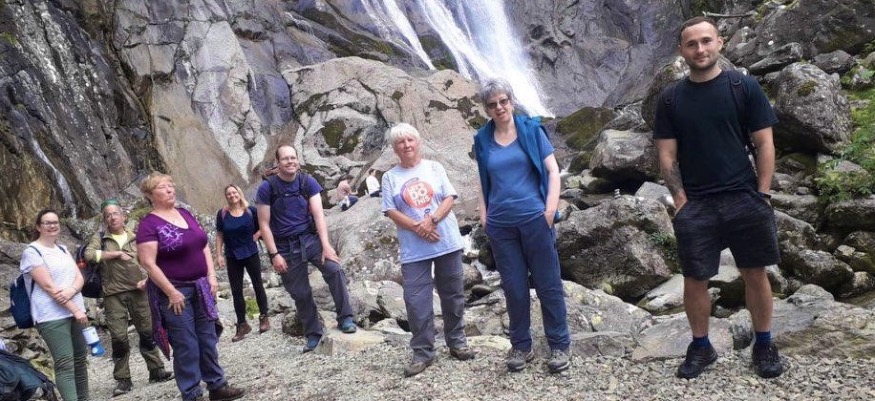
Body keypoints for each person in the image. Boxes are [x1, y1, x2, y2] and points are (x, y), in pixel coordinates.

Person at [653, 16, 783, 379]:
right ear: (682, 51)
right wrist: (680, 200)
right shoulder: (671, 99)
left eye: (706, 41)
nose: (700, 49)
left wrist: (763, 193)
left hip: (744, 196)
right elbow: (666, 155)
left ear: (720, 42)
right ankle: (701, 346)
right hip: (696, 203)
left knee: (754, 272)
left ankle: (764, 343)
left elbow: (765, 143)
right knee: (695, 278)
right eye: (692, 44)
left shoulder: (743, 86)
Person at [472, 78, 571, 374]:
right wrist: (484, 216)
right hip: (501, 226)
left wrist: (550, 210)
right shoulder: (482, 139)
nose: (499, 107)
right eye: (492, 104)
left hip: (534, 219)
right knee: (514, 288)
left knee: (548, 284)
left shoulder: (531, 130)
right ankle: (521, 346)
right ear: (486, 109)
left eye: (503, 101)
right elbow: (483, 180)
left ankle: (559, 345)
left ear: (511, 101)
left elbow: (553, 171)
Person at [136, 172, 245, 401]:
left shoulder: (185, 213)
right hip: (175, 292)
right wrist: (170, 292)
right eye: (163, 187)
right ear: (150, 194)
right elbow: (148, 263)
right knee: (186, 343)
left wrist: (211, 276)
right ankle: (192, 393)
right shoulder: (149, 225)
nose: (170, 190)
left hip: (200, 287)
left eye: (170, 185)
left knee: (207, 338)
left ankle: (217, 386)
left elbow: (203, 245)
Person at [381, 123, 475, 377]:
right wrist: (418, 227)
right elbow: (390, 210)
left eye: (410, 140)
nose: (406, 145)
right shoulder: (389, 177)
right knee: (415, 301)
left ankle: (457, 342)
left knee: (453, 295)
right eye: (400, 142)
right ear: (395, 148)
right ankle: (423, 352)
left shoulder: (435, 167)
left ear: (418, 142)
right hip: (414, 249)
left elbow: (449, 198)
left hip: (446, 241)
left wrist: (431, 220)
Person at [256, 145, 357, 353]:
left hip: (310, 239)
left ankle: (345, 317)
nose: (290, 161)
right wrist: (274, 254)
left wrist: (326, 245)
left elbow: (319, 215)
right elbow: (264, 224)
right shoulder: (267, 188)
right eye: (285, 158)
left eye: (293, 158)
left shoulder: (307, 182)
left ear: (298, 160)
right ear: (278, 163)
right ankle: (313, 333)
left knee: (334, 270)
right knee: (300, 292)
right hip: (284, 246)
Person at [84, 199, 172, 397]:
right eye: (108, 215)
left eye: (115, 213)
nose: (112, 217)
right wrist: (115, 254)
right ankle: (123, 379)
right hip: (112, 294)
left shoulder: (137, 235)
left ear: (123, 216)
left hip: (139, 291)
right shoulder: (100, 238)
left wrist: (148, 280)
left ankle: (156, 370)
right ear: (105, 219)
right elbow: (89, 255)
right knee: (119, 338)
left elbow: (153, 259)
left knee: (147, 332)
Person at [20, 209, 89, 400]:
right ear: (38, 227)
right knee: (65, 363)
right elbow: (49, 287)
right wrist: (75, 309)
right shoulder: (32, 252)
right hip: (51, 315)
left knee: (80, 360)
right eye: (47, 223)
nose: (52, 226)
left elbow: (79, 277)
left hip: (75, 312)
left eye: (55, 222)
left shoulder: (62, 249)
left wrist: (71, 291)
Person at [215, 184, 271, 342]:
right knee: (236, 291)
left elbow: (264, 224)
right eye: (229, 194)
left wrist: (257, 235)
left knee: (258, 285)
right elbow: (219, 234)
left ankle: (264, 317)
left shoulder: (250, 210)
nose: (232, 195)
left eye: (234, 192)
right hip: (232, 255)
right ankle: (242, 324)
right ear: (226, 197)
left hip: (251, 252)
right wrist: (218, 255)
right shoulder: (222, 214)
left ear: (239, 193)